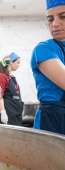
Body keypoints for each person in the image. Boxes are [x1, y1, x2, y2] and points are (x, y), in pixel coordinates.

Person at [30, 1, 65, 134]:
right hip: (52, 119)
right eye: (50, 19)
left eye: (63, 17)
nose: (55, 24)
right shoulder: (44, 49)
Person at [0, 52, 23, 126]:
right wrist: (3, 112)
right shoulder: (2, 76)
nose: (19, 65)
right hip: (8, 114)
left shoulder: (11, 76)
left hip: (15, 114)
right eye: (18, 63)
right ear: (11, 62)